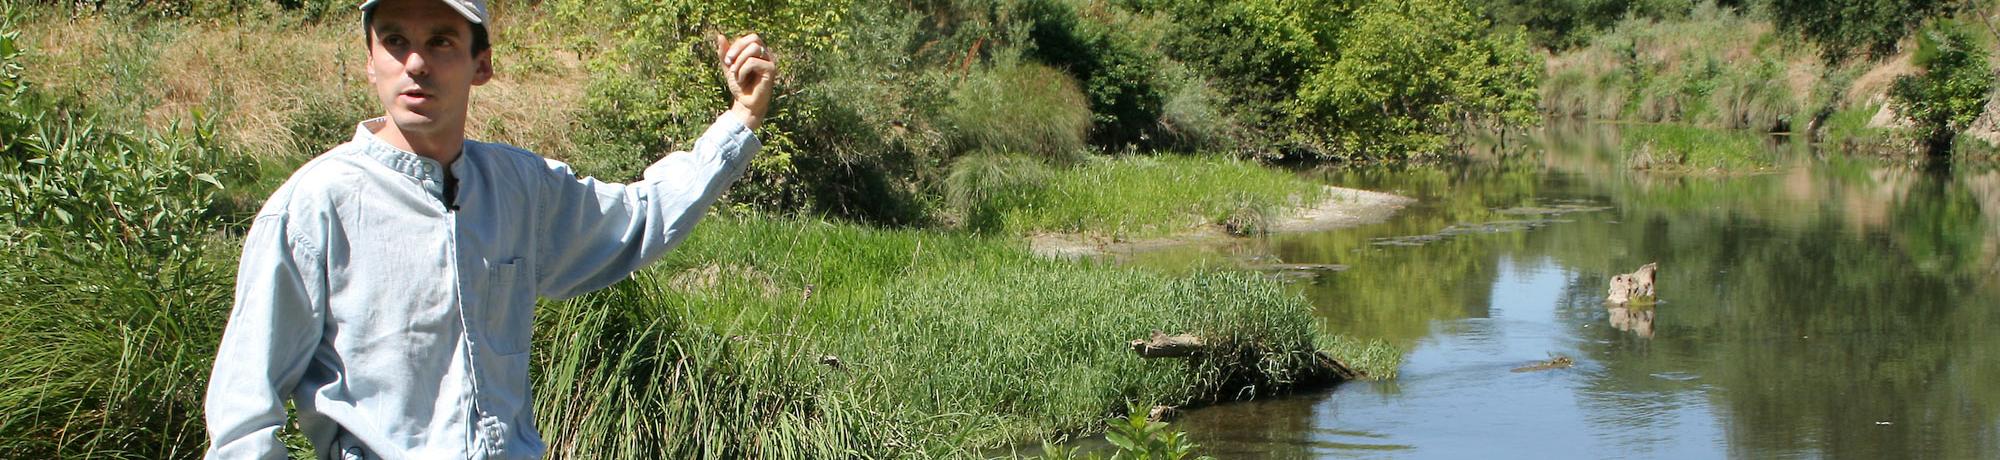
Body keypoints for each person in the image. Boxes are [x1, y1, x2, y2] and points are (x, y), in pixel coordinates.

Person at [202, 0, 777, 458]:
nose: (416, 63)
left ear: (482, 64)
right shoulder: (313, 206)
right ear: (368, 59)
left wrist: (741, 119)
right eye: (395, 40)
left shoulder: (518, 189)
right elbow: (243, 419)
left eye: (441, 41)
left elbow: (639, 215)